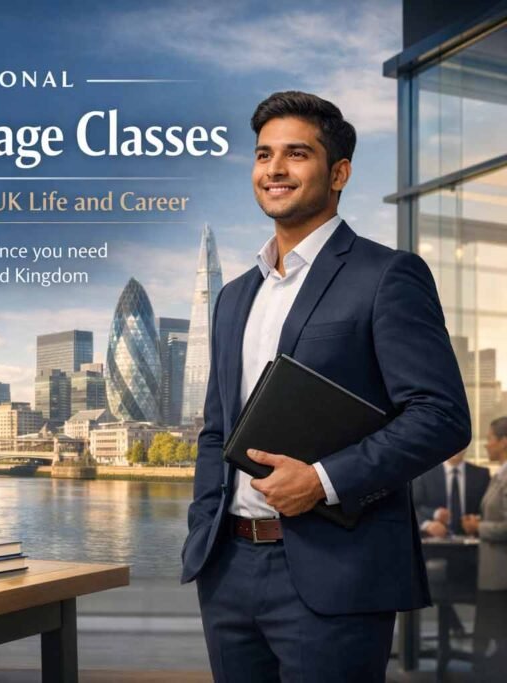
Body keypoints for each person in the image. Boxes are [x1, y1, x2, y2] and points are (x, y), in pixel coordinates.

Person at [180, 92, 470, 681]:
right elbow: (217, 429)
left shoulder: (387, 274)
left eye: (296, 154)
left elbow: (440, 416)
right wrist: (204, 532)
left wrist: (322, 481)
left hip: (337, 570)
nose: (274, 170)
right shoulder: (235, 295)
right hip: (228, 569)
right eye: (263, 155)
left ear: (338, 173)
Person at [464, 417, 507, 676]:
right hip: (493, 573)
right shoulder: (499, 475)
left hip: (501, 576)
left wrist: (478, 528)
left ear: (503, 442)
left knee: (493, 642)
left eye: (490, 439)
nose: (486, 446)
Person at [413, 449, 490, 538]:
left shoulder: (481, 475)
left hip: (472, 542)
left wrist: (476, 521)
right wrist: (428, 524)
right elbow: (415, 507)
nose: (456, 447)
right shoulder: (424, 474)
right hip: (435, 542)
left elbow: (488, 509)